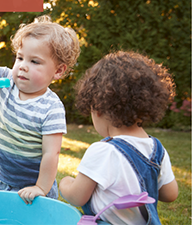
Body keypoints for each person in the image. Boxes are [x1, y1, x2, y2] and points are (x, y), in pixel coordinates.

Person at [0, 15, 80, 204]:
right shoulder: (7, 81)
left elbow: (50, 154)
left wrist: (41, 188)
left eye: (34, 62)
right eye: (20, 58)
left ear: (58, 71)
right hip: (3, 180)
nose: (22, 66)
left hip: (34, 187)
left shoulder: (51, 108)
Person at [59, 51, 178, 225]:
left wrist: (65, 183)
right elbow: (170, 194)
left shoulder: (104, 151)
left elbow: (77, 197)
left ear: (97, 108)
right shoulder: (157, 150)